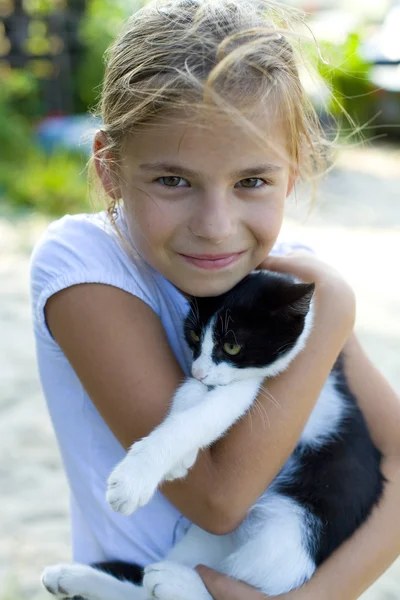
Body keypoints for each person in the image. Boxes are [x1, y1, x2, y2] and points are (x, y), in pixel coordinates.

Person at [30, 0, 400, 598]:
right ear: (110, 167)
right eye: (174, 180)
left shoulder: (286, 282)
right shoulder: (85, 261)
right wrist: (332, 310)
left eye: (251, 181)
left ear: (294, 167)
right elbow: (217, 500)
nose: (215, 225)